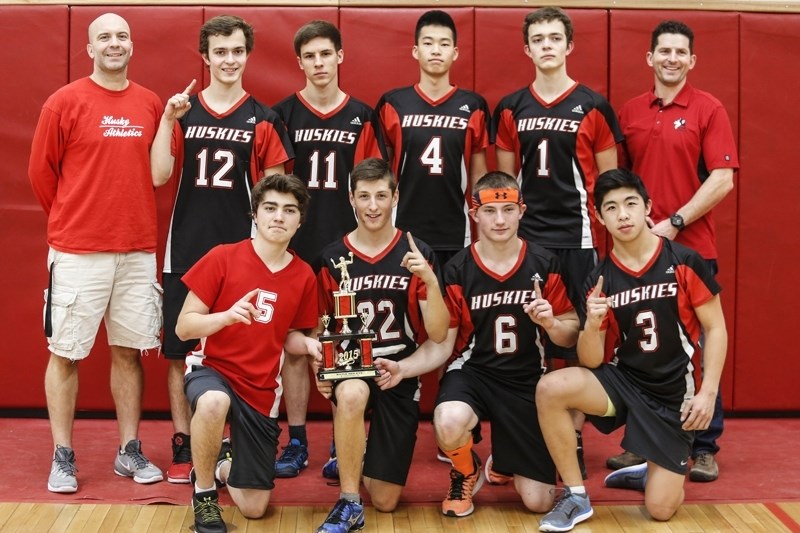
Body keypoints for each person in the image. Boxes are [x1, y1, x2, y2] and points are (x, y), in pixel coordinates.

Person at [535, 168, 727, 532]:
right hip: (624, 383)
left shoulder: (684, 261)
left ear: (647, 207)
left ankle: (652, 467)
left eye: (630, 204)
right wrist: (592, 323)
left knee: (660, 509)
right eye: (611, 207)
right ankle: (575, 496)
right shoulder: (600, 278)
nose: (622, 214)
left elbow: (716, 328)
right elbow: (591, 361)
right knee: (551, 388)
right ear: (599, 217)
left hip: (673, 395)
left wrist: (708, 391)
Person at [380, 171, 577, 518]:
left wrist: (552, 323)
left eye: (507, 210)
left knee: (539, 502)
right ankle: (465, 469)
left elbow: (571, 333)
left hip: (527, 380)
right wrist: (404, 367)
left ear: (522, 210)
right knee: (449, 420)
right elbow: (443, 345)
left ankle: (503, 459)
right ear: (474, 213)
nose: (499, 220)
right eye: (489, 211)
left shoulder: (545, 264)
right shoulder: (457, 268)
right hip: (473, 373)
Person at [150, 14, 294, 484]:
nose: (229, 59)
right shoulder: (183, 111)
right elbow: (157, 174)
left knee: (234, 348)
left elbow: (274, 195)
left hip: (241, 254)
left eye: (237, 51)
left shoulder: (264, 119)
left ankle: (226, 438)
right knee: (179, 350)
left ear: (247, 55)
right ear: (205, 57)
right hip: (187, 245)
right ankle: (183, 441)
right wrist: (168, 120)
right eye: (220, 51)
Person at [28, 12, 164, 494]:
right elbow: (42, 176)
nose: (114, 43)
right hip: (79, 252)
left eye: (122, 36)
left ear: (132, 45)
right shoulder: (63, 102)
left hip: (136, 251)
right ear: (89, 48)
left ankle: (129, 450)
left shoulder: (150, 103)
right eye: (104, 37)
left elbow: (158, 171)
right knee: (65, 354)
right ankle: (63, 456)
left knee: (129, 353)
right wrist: (75, 219)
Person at [493, 6, 623, 479]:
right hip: (530, 243)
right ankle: (528, 437)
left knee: (582, 342)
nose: (547, 45)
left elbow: (610, 185)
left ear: (569, 46)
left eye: (555, 38)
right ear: (527, 49)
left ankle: (574, 438)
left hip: (582, 240)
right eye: (538, 39)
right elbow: (504, 187)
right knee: (532, 342)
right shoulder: (510, 107)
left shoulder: (593, 105)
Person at [609, 20, 738, 482]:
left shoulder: (708, 108)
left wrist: (674, 223)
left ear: (691, 60)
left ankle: (703, 446)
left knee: (698, 347)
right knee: (639, 347)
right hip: (638, 253)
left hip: (691, 251)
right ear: (649, 58)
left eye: (680, 52)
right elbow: (618, 182)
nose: (671, 58)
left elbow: (723, 178)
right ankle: (641, 443)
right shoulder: (629, 112)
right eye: (663, 50)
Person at [272, 20, 385, 479]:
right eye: (310, 56)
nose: (319, 63)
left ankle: (344, 443)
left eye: (326, 54)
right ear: (299, 62)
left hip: (347, 250)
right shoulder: (283, 114)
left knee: (347, 344)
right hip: (296, 247)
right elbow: (274, 188)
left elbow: (372, 188)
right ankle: (297, 440)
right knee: (298, 347)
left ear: (340, 56)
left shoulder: (362, 115)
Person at [176, 173, 321, 533]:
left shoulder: (303, 275)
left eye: (289, 210)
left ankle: (221, 461)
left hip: (260, 391)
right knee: (212, 402)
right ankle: (205, 495)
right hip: (213, 370)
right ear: (254, 214)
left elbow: (290, 338)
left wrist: (310, 345)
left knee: (255, 507)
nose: (279, 217)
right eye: (270, 208)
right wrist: (225, 317)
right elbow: (183, 327)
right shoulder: (223, 257)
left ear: (299, 220)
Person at [313, 157, 450, 533]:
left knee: (387, 500)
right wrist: (321, 370)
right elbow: (318, 326)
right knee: (353, 393)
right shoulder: (330, 257)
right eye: (364, 197)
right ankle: (349, 502)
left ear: (395, 197)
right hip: (351, 368)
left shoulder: (417, 252)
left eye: (380, 196)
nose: (372, 206)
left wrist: (431, 281)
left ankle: (350, 455)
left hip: (397, 370)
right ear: (351, 200)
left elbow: (438, 333)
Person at [376, 9, 491, 268]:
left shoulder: (474, 106)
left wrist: (484, 228)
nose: (436, 50)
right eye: (428, 43)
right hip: (402, 227)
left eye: (444, 43)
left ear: (455, 52)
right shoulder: (393, 104)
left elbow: (478, 176)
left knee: (449, 307)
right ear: (416, 51)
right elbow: (382, 173)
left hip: (455, 230)